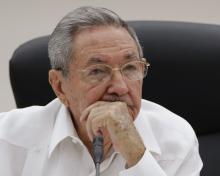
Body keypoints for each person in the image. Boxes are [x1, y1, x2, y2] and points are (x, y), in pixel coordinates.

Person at [0, 6, 202, 176]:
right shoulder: (7, 140)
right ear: (59, 86)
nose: (120, 87)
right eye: (97, 71)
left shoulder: (176, 141)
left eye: (130, 67)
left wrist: (137, 155)